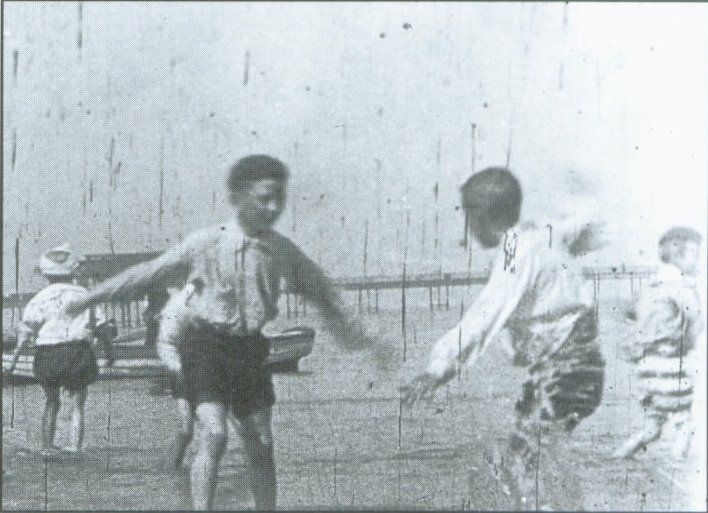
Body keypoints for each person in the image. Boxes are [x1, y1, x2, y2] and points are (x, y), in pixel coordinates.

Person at [65, 154, 392, 510]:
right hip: (205, 344)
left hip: (250, 348)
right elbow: (149, 274)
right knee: (215, 433)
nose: (273, 208)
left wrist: (365, 340)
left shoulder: (280, 250)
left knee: (262, 442)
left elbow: (324, 295)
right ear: (238, 196)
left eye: (279, 199)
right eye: (263, 198)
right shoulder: (207, 242)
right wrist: (92, 297)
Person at [401, 167, 607, 511]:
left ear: (481, 215)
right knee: (530, 457)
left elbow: (486, 313)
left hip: (564, 368)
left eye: (468, 217)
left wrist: (438, 368)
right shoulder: (541, 233)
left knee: (527, 460)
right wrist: (584, 196)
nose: (468, 229)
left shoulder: (514, 251)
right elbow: (580, 223)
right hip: (580, 365)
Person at [8, 244, 117, 456]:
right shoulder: (85, 295)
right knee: (77, 405)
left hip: (47, 354)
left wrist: (13, 360)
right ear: (73, 272)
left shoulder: (40, 298)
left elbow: (26, 332)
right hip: (78, 352)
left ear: (46, 274)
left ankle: (47, 447)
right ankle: (74, 447)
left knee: (51, 402)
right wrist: (110, 355)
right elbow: (103, 329)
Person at [613, 227, 703, 460]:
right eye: (696, 255)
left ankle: (620, 454)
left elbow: (630, 313)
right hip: (670, 362)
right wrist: (688, 344)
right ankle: (678, 461)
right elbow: (696, 321)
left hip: (647, 364)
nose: (699, 261)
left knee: (653, 426)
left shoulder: (650, 287)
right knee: (685, 423)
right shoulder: (682, 288)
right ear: (679, 256)